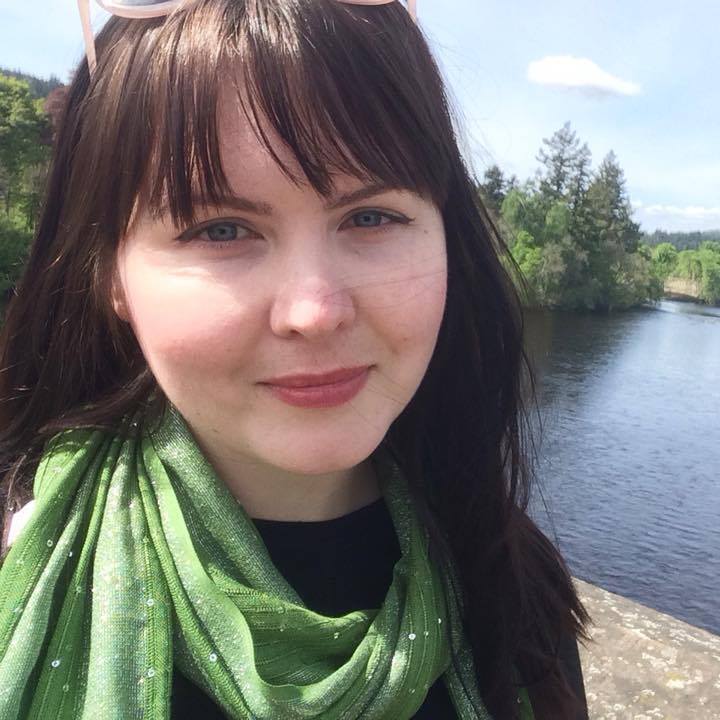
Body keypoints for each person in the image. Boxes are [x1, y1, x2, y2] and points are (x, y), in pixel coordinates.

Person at [0, 0, 590, 718]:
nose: (314, 312)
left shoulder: (514, 587)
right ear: (109, 275)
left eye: (370, 216)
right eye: (220, 229)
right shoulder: (18, 564)